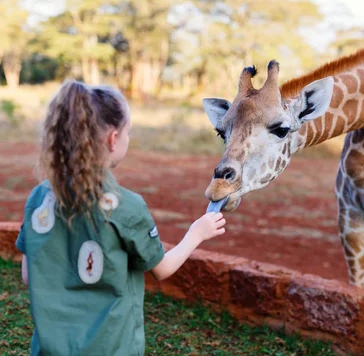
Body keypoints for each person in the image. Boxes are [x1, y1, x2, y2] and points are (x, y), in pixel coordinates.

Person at [15, 79, 226, 355]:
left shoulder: (38, 198)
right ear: (113, 138)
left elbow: (29, 275)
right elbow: (161, 268)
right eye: (128, 131)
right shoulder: (126, 207)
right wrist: (197, 232)